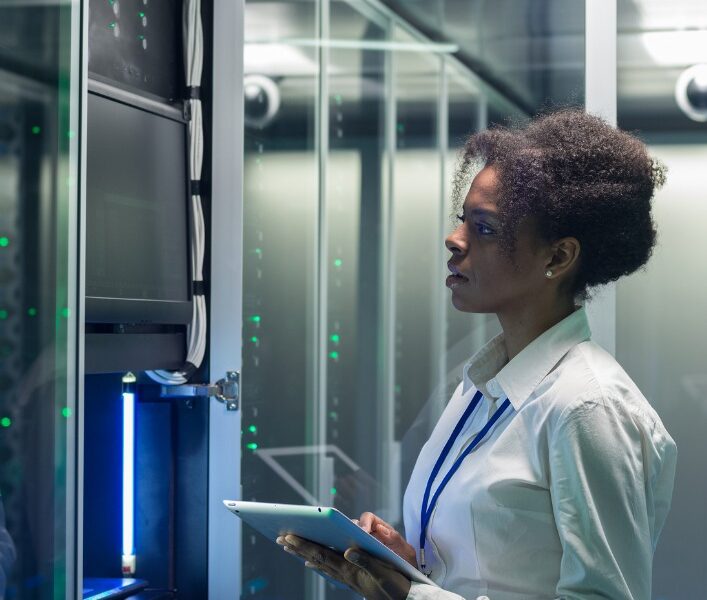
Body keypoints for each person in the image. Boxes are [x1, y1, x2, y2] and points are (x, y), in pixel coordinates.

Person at [277, 109, 677, 600]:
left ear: (557, 257)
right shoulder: (480, 385)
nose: (454, 239)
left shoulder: (586, 407)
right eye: (462, 219)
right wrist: (411, 569)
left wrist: (414, 596)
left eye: (485, 229)